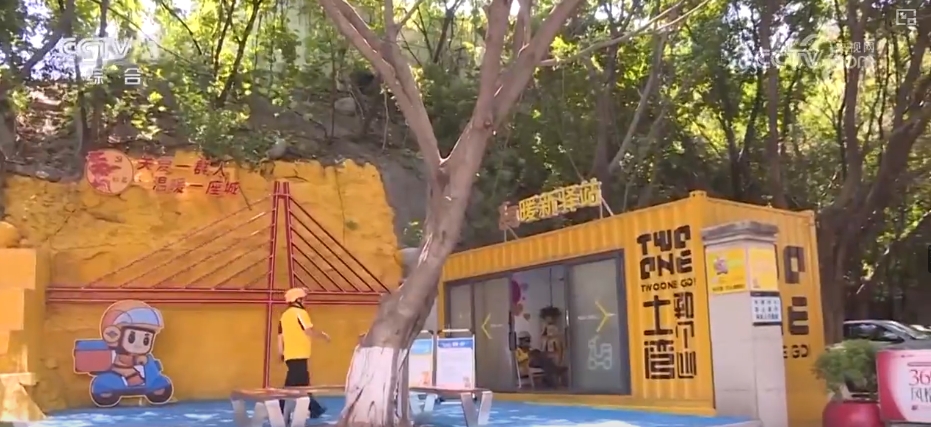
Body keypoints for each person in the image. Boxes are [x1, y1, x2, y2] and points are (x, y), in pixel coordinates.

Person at [279, 287, 331, 419]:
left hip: (290, 354)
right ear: (297, 300)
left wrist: (281, 352)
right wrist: (323, 336)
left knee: (299, 382)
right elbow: (308, 330)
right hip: (299, 353)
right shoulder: (300, 312)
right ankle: (284, 408)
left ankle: (313, 408)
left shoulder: (284, 316)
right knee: (296, 384)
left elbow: (280, 336)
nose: (305, 302)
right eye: (303, 299)